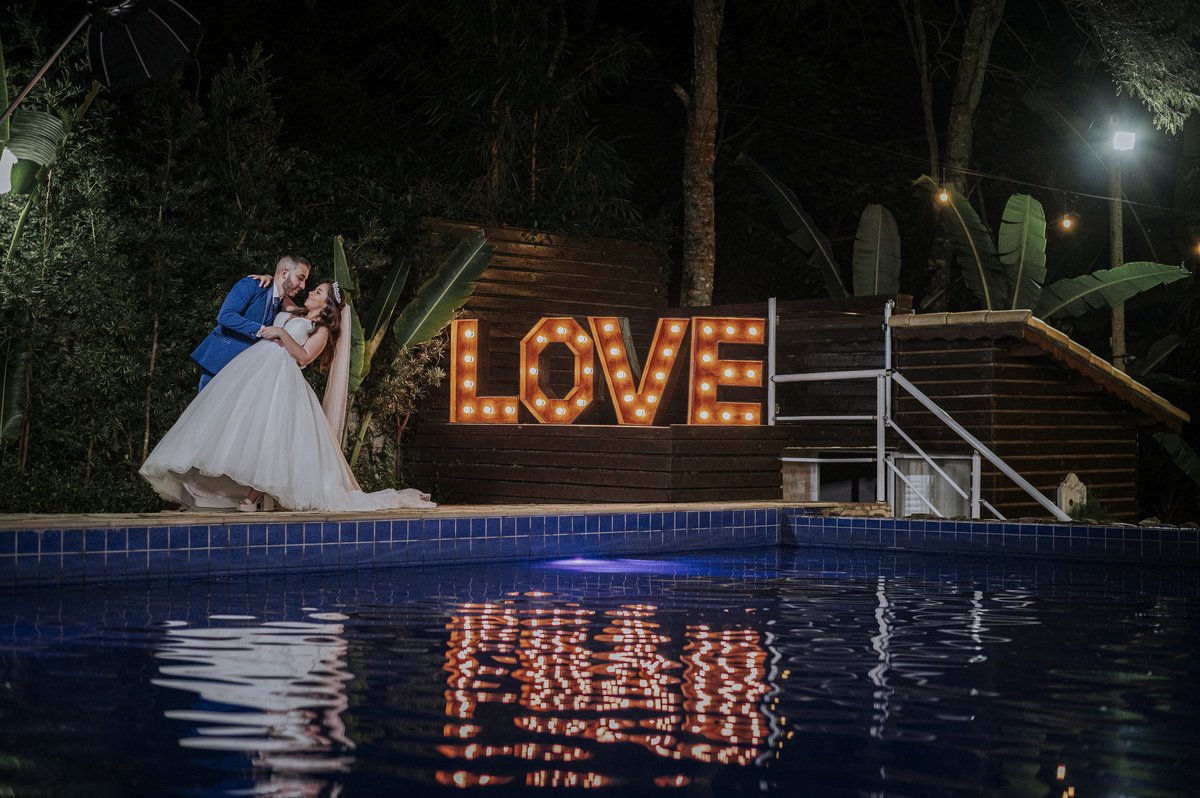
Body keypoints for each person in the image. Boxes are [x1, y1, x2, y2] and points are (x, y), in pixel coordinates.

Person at [141, 282, 435, 512]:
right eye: (312, 289)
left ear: (326, 305)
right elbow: (279, 289)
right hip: (254, 372)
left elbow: (304, 357)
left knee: (272, 435)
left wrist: (282, 334)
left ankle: (252, 496)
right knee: (239, 427)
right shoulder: (295, 311)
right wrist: (267, 276)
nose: (311, 292)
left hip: (281, 379)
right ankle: (208, 486)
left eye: (317, 292)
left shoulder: (320, 330)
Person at [192, 255, 311, 391]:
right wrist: (263, 331)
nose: (303, 286)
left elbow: (305, 316)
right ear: (284, 273)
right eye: (300, 278)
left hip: (246, 369)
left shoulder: (282, 302)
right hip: (222, 357)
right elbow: (226, 316)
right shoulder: (252, 284)